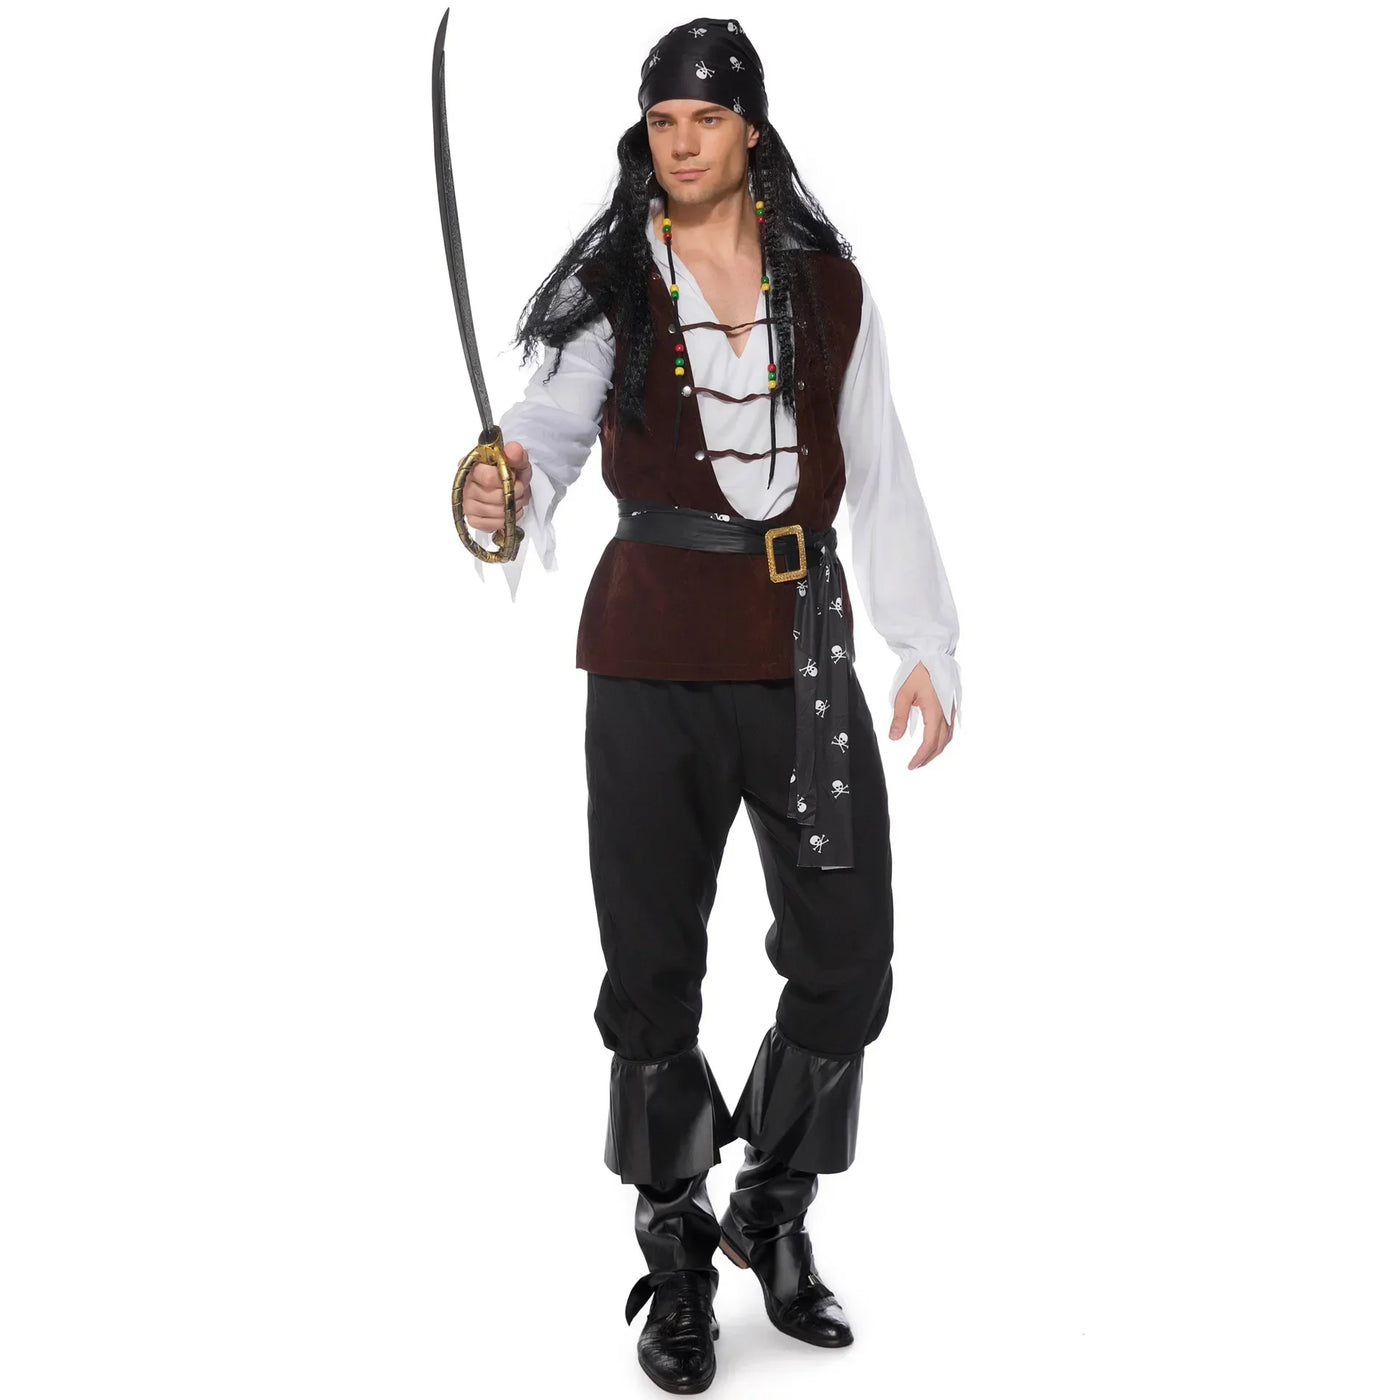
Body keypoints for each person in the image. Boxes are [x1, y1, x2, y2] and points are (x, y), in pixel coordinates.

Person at [459, 17, 961, 1393]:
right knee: (650, 974)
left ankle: (770, 1209)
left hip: (803, 656)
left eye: (706, 120)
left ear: (750, 129)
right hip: (648, 659)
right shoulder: (614, 287)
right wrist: (503, 490)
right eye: (662, 123)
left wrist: (924, 641)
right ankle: (675, 1246)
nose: (681, 143)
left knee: (848, 955)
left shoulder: (831, 290)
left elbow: (881, 466)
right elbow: (542, 438)